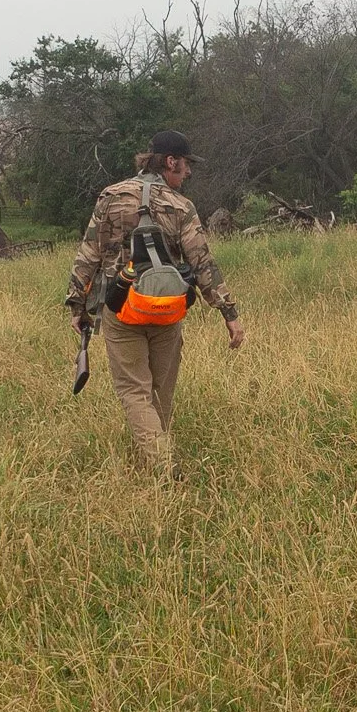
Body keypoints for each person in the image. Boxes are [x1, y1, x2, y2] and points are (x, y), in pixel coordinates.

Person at [66, 130, 245, 473]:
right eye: (186, 165)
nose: (188, 173)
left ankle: (161, 465)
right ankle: (158, 463)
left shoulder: (111, 197)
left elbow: (88, 254)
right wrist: (229, 312)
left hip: (121, 309)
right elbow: (201, 262)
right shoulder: (181, 207)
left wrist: (77, 304)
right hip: (168, 310)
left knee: (134, 391)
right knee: (161, 390)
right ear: (170, 162)